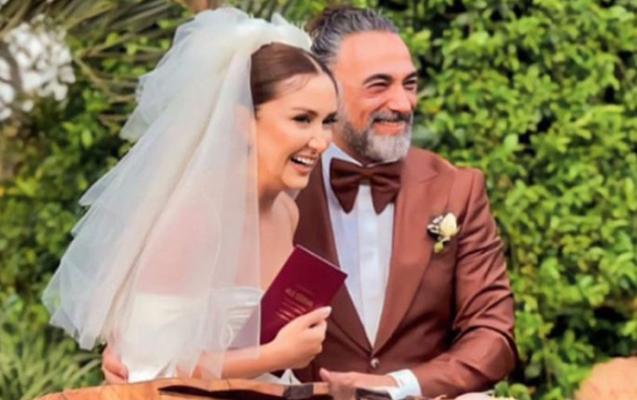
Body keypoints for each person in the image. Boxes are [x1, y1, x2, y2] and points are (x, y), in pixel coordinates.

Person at [44, 7, 338, 384]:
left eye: (328, 121)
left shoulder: (285, 212)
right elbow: (146, 368)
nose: (321, 141)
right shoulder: (194, 219)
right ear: (243, 121)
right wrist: (275, 355)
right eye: (302, 119)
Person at [290, 6, 517, 399]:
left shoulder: (458, 190)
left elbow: (493, 333)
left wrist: (400, 385)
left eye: (409, 84)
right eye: (379, 85)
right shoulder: (282, 188)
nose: (403, 103)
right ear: (326, 90)